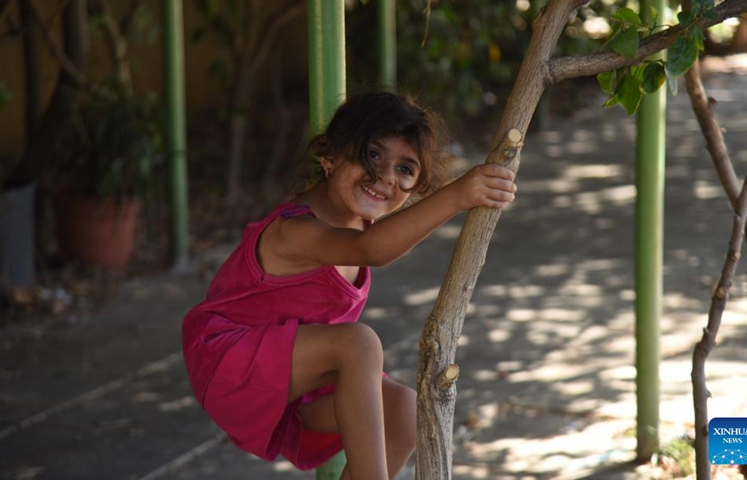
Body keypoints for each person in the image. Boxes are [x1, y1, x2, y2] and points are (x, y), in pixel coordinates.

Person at [181, 91, 517, 480]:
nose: (386, 177)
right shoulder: (295, 230)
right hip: (228, 363)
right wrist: (457, 195)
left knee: (405, 412)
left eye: (406, 170)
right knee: (358, 342)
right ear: (329, 156)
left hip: (294, 386)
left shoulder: (361, 226)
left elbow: (372, 243)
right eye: (372, 155)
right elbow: (369, 250)